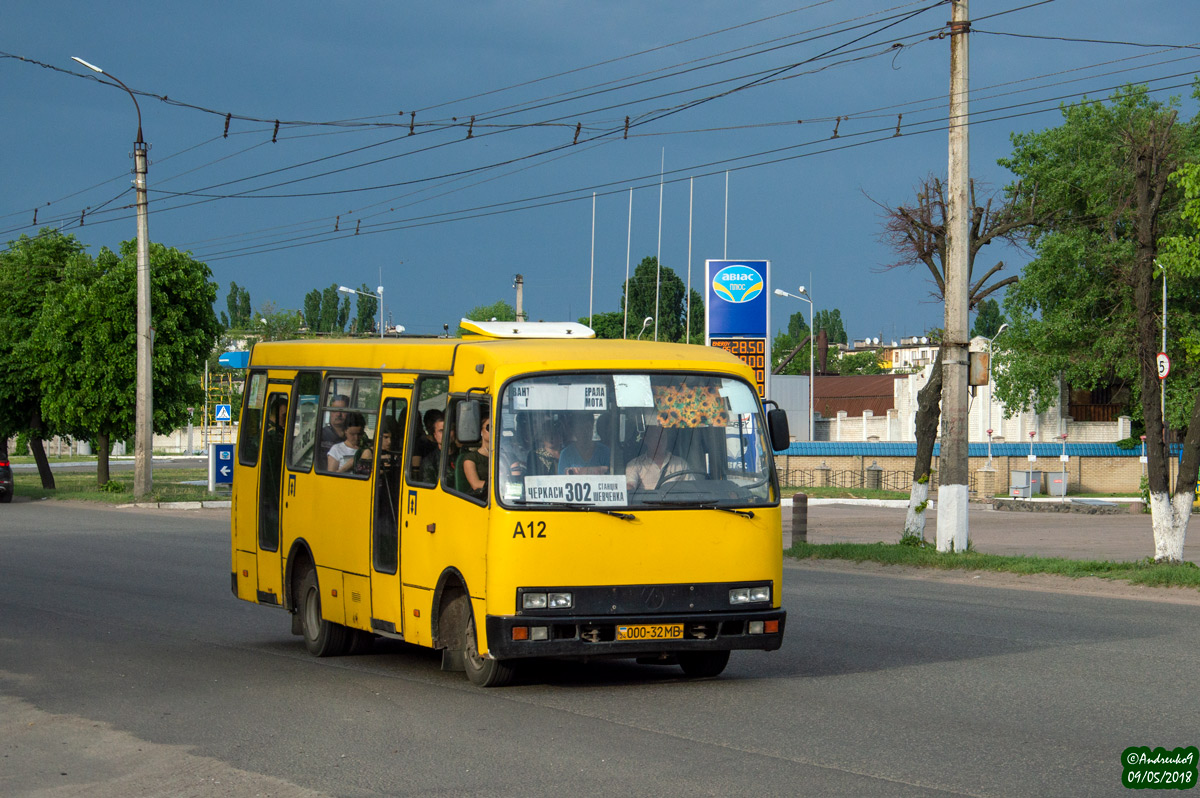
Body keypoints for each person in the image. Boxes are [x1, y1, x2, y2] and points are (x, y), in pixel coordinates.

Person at [625, 422, 691, 491]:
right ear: (646, 440)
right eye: (656, 437)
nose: (661, 441)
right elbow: (630, 486)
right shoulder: (635, 465)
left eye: (663, 437)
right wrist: (628, 487)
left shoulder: (680, 463)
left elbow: (692, 489)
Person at [455, 416, 491, 500]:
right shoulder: (471, 458)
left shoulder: (506, 456)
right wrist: (500, 486)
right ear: (481, 431)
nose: (493, 431)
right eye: (489, 427)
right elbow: (476, 484)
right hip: (481, 501)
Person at [319, 394, 350, 463]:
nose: (338, 414)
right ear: (330, 411)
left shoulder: (355, 434)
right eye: (335, 410)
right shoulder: (321, 434)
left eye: (343, 410)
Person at [417, 412, 445, 484]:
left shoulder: (463, 457)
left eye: (450, 429)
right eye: (441, 431)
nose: (446, 434)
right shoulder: (429, 462)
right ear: (435, 435)